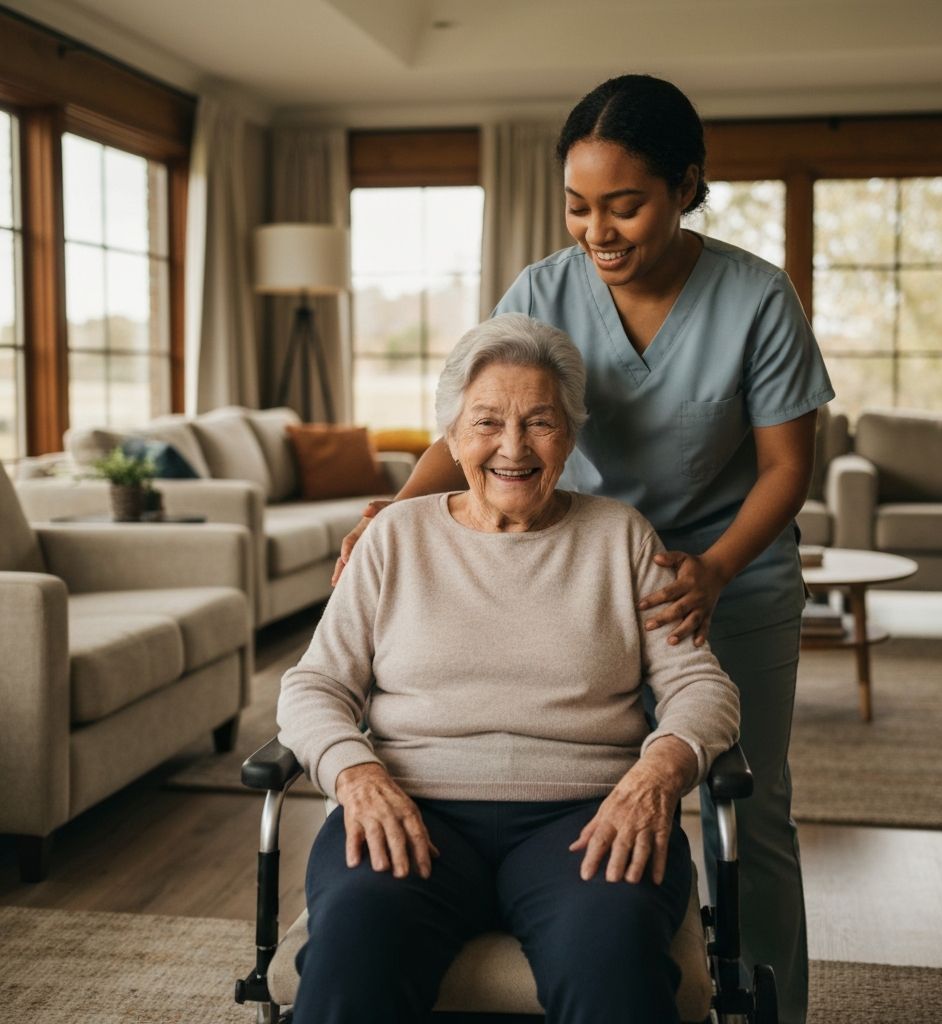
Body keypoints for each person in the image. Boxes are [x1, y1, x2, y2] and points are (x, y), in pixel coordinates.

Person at [333, 75, 834, 1024]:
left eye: (625, 205)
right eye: (577, 206)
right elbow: (484, 416)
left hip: (732, 576)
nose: (597, 231)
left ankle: (767, 1009)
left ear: (687, 186)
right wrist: (390, 518)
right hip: (584, 574)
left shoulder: (756, 296)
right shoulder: (545, 289)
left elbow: (784, 467)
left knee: (747, 810)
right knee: (597, 781)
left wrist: (716, 569)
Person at [279, 314, 740, 1024]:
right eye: (488, 421)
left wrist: (659, 772)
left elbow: (699, 685)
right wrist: (355, 773)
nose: (513, 448)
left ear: (572, 434)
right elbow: (314, 685)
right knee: (356, 946)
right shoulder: (394, 538)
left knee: (610, 960)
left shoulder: (621, 537)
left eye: (540, 422)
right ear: (453, 437)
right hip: (411, 806)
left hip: (588, 818)